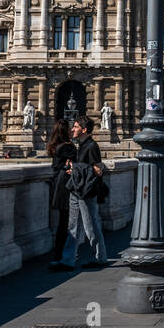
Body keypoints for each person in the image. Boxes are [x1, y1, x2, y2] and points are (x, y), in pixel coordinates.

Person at [53, 116, 108, 271]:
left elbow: (98, 170)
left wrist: (76, 168)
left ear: (84, 130)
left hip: (86, 192)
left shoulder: (91, 146)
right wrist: (74, 167)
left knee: (91, 225)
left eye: (76, 127)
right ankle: (68, 260)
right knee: (73, 226)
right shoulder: (81, 145)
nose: (72, 129)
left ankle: (99, 257)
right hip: (76, 189)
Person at [45, 119, 76, 268]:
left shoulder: (55, 147)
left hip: (59, 186)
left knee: (64, 222)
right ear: (65, 131)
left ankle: (59, 255)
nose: (72, 130)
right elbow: (78, 163)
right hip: (67, 187)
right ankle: (62, 257)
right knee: (67, 223)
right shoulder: (67, 148)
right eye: (70, 128)